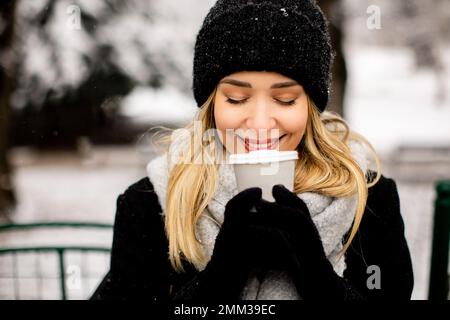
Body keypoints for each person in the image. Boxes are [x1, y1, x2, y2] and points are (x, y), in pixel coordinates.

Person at [91, 0, 413, 300]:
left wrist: (316, 274)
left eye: (285, 99)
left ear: (311, 107)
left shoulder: (369, 201)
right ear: (211, 104)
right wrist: (218, 278)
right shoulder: (152, 202)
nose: (259, 124)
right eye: (236, 98)